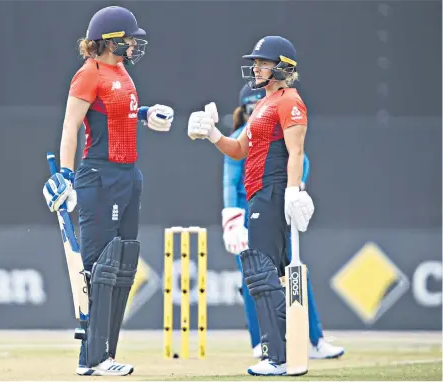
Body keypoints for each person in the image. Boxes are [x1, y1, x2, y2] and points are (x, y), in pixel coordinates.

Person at [42, 6, 174, 377]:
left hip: (129, 175)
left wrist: (145, 114)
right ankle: (93, 358)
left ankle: (106, 355)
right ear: (112, 40)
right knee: (101, 267)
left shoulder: (121, 72)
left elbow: (118, 114)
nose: (134, 44)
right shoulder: (88, 74)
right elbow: (72, 127)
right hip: (99, 176)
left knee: (123, 263)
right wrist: (66, 176)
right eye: (129, 38)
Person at [188, 35, 314, 376]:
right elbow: (238, 150)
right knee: (267, 273)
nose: (256, 67)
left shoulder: (290, 101)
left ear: (282, 67)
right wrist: (212, 134)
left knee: (262, 272)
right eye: (256, 61)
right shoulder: (262, 104)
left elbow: (296, 151)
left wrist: (291, 191)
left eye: (263, 62)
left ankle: (278, 356)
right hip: (260, 193)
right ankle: (282, 351)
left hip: (272, 192)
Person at [223, 84, 345, 361]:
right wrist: (232, 218)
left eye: (259, 105)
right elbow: (230, 180)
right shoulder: (241, 135)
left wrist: (296, 186)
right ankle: (260, 341)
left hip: (276, 206)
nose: (256, 111)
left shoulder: (276, 131)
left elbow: (302, 158)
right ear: (244, 110)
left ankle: (314, 339)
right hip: (248, 213)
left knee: (295, 275)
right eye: (250, 107)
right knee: (254, 278)